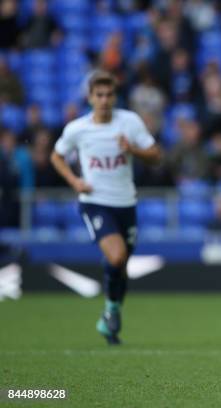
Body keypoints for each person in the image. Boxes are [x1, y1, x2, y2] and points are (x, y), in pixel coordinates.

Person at [50, 71, 162, 345]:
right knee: (116, 257)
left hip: (126, 203)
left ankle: (111, 314)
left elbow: (156, 156)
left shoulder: (129, 122)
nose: (104, 100)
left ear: (115, 96)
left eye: (109, 95)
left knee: (120, 264)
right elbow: (57, 156)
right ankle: (111, 310)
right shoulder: (77, 129)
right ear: (90, 98)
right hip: (95, 202)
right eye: (98, 95)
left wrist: (133, 149)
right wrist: (75, 181)